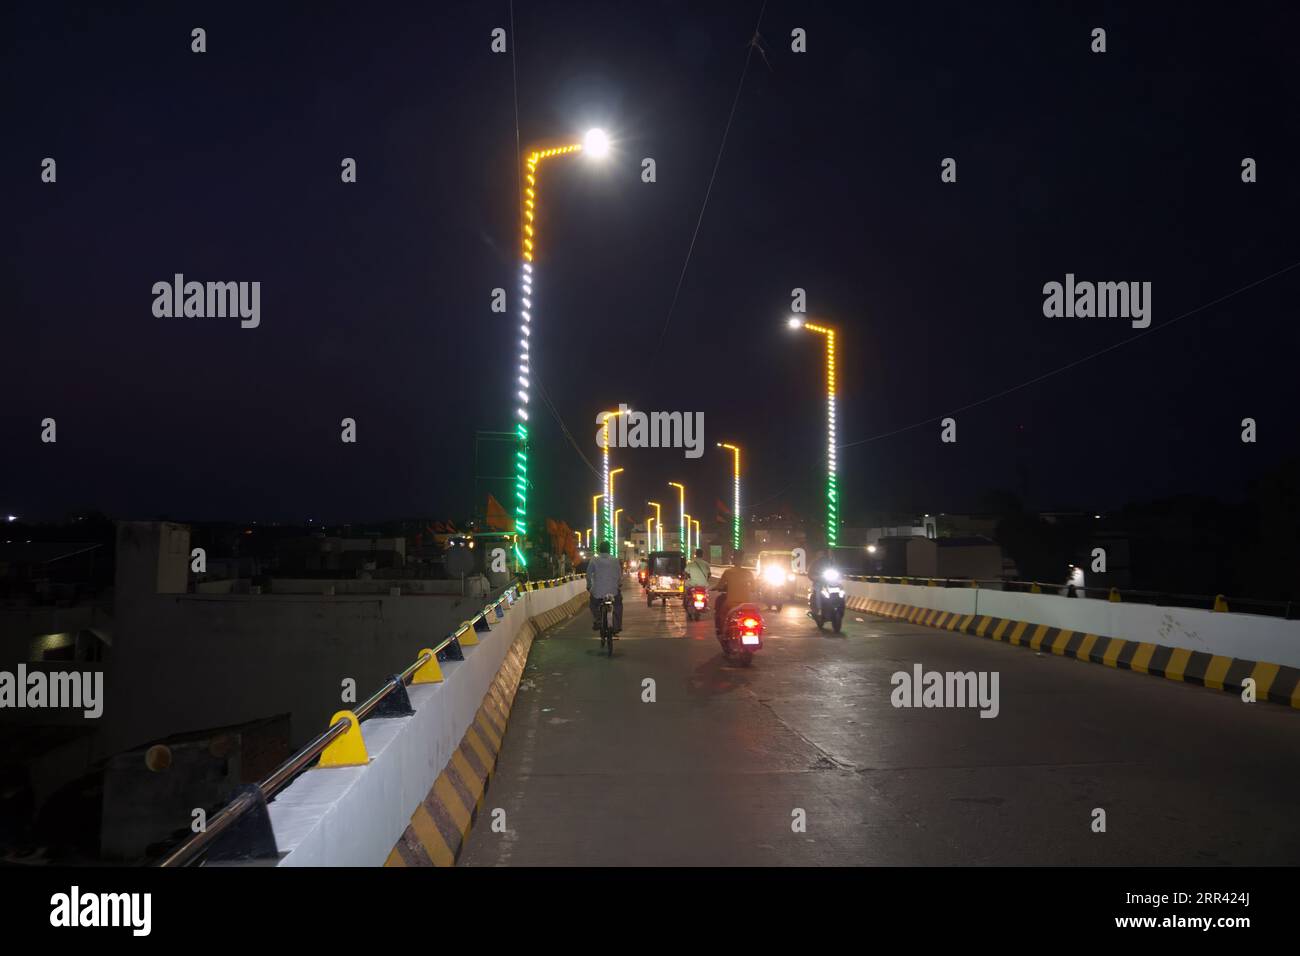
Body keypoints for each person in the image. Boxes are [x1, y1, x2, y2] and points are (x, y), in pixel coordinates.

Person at [712, 549, 756, 635]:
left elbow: (720, 586)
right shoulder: (749, 573)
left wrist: (714, 588)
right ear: (743, 560)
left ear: (733, 559)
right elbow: (753, 589)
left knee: (721, 614)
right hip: (745, 604)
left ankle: (723, 632)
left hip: (731, 603)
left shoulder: (728, 572)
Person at [586, 540, 624, 633]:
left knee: (592, 604)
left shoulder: (594, 560)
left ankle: (598, 618)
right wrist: (618, 584)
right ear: (609, 550)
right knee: (618, 605)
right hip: (613, 592)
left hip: (597, 592)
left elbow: (588, 574)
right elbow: (619, 575)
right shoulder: (615, 560)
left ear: (599, 550)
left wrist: (589, 585)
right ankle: (618, 625)